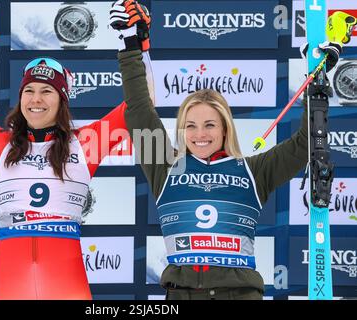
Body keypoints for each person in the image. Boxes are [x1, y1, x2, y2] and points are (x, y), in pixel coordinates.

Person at [0, 2, 152, 300]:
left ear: (62, 100)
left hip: (66, 280)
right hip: (12, 278)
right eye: (29, 90)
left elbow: (142, 104)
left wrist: (136, 43)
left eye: (47, 91)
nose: (36, 99)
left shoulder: (86, 143)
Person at [109, 0, 342, 300]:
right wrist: (129, 44)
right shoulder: (164, 166)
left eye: (209, 125)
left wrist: (317, 84)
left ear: (225, 129)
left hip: (240, 294)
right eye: (190, 126)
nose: (199, 134)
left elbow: (304, 144)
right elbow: (139, 109)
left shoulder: (253, 170)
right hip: (182, 296)